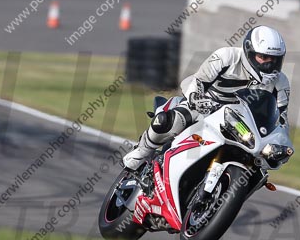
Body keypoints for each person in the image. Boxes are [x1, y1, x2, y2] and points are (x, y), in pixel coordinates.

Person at [122, 26, 290, 171]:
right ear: (249, 51)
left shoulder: (281, 82)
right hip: (206, 106)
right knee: (168, 120)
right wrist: (196, 99)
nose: (268, 65)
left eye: (274, 60)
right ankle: (142, 152)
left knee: (257, 169)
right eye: (263, 57)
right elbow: (199, 81)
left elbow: (281, 119)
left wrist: (280, 144)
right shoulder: (227, 57)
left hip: (239, 124)